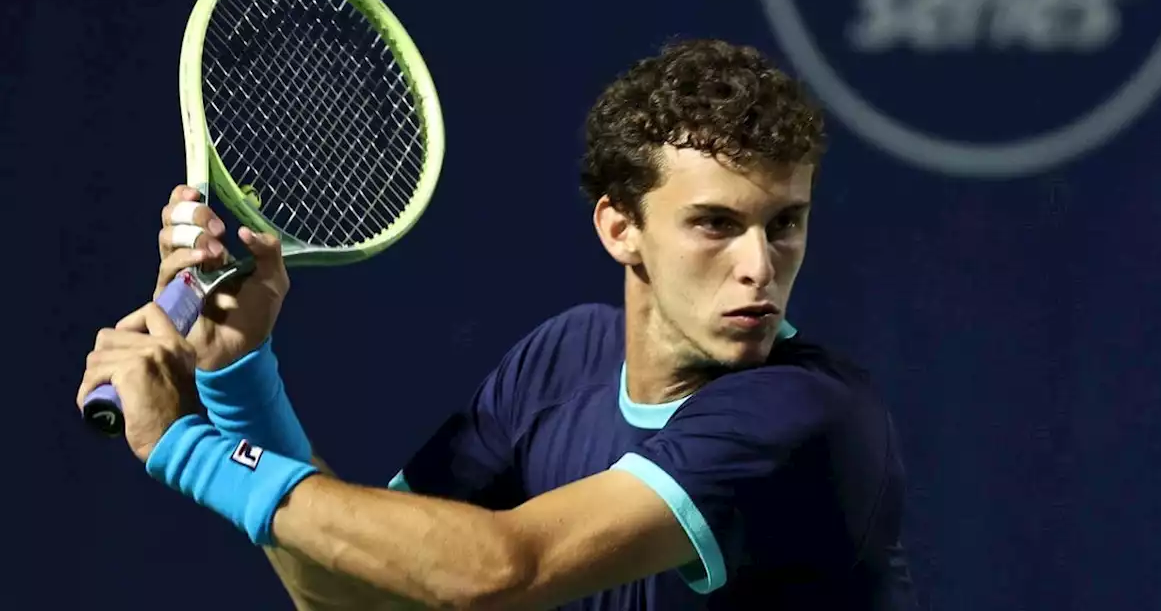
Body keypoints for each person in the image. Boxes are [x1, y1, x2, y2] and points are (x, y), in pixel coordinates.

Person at [78, 39, 919, 610]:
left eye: (784, 223)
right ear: (619, 227)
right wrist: (238, 380)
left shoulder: (805, 416)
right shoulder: (561, 360)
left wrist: (187, 446)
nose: (758, 265)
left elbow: (501, 570)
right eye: (714, 224)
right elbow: (359, 595)